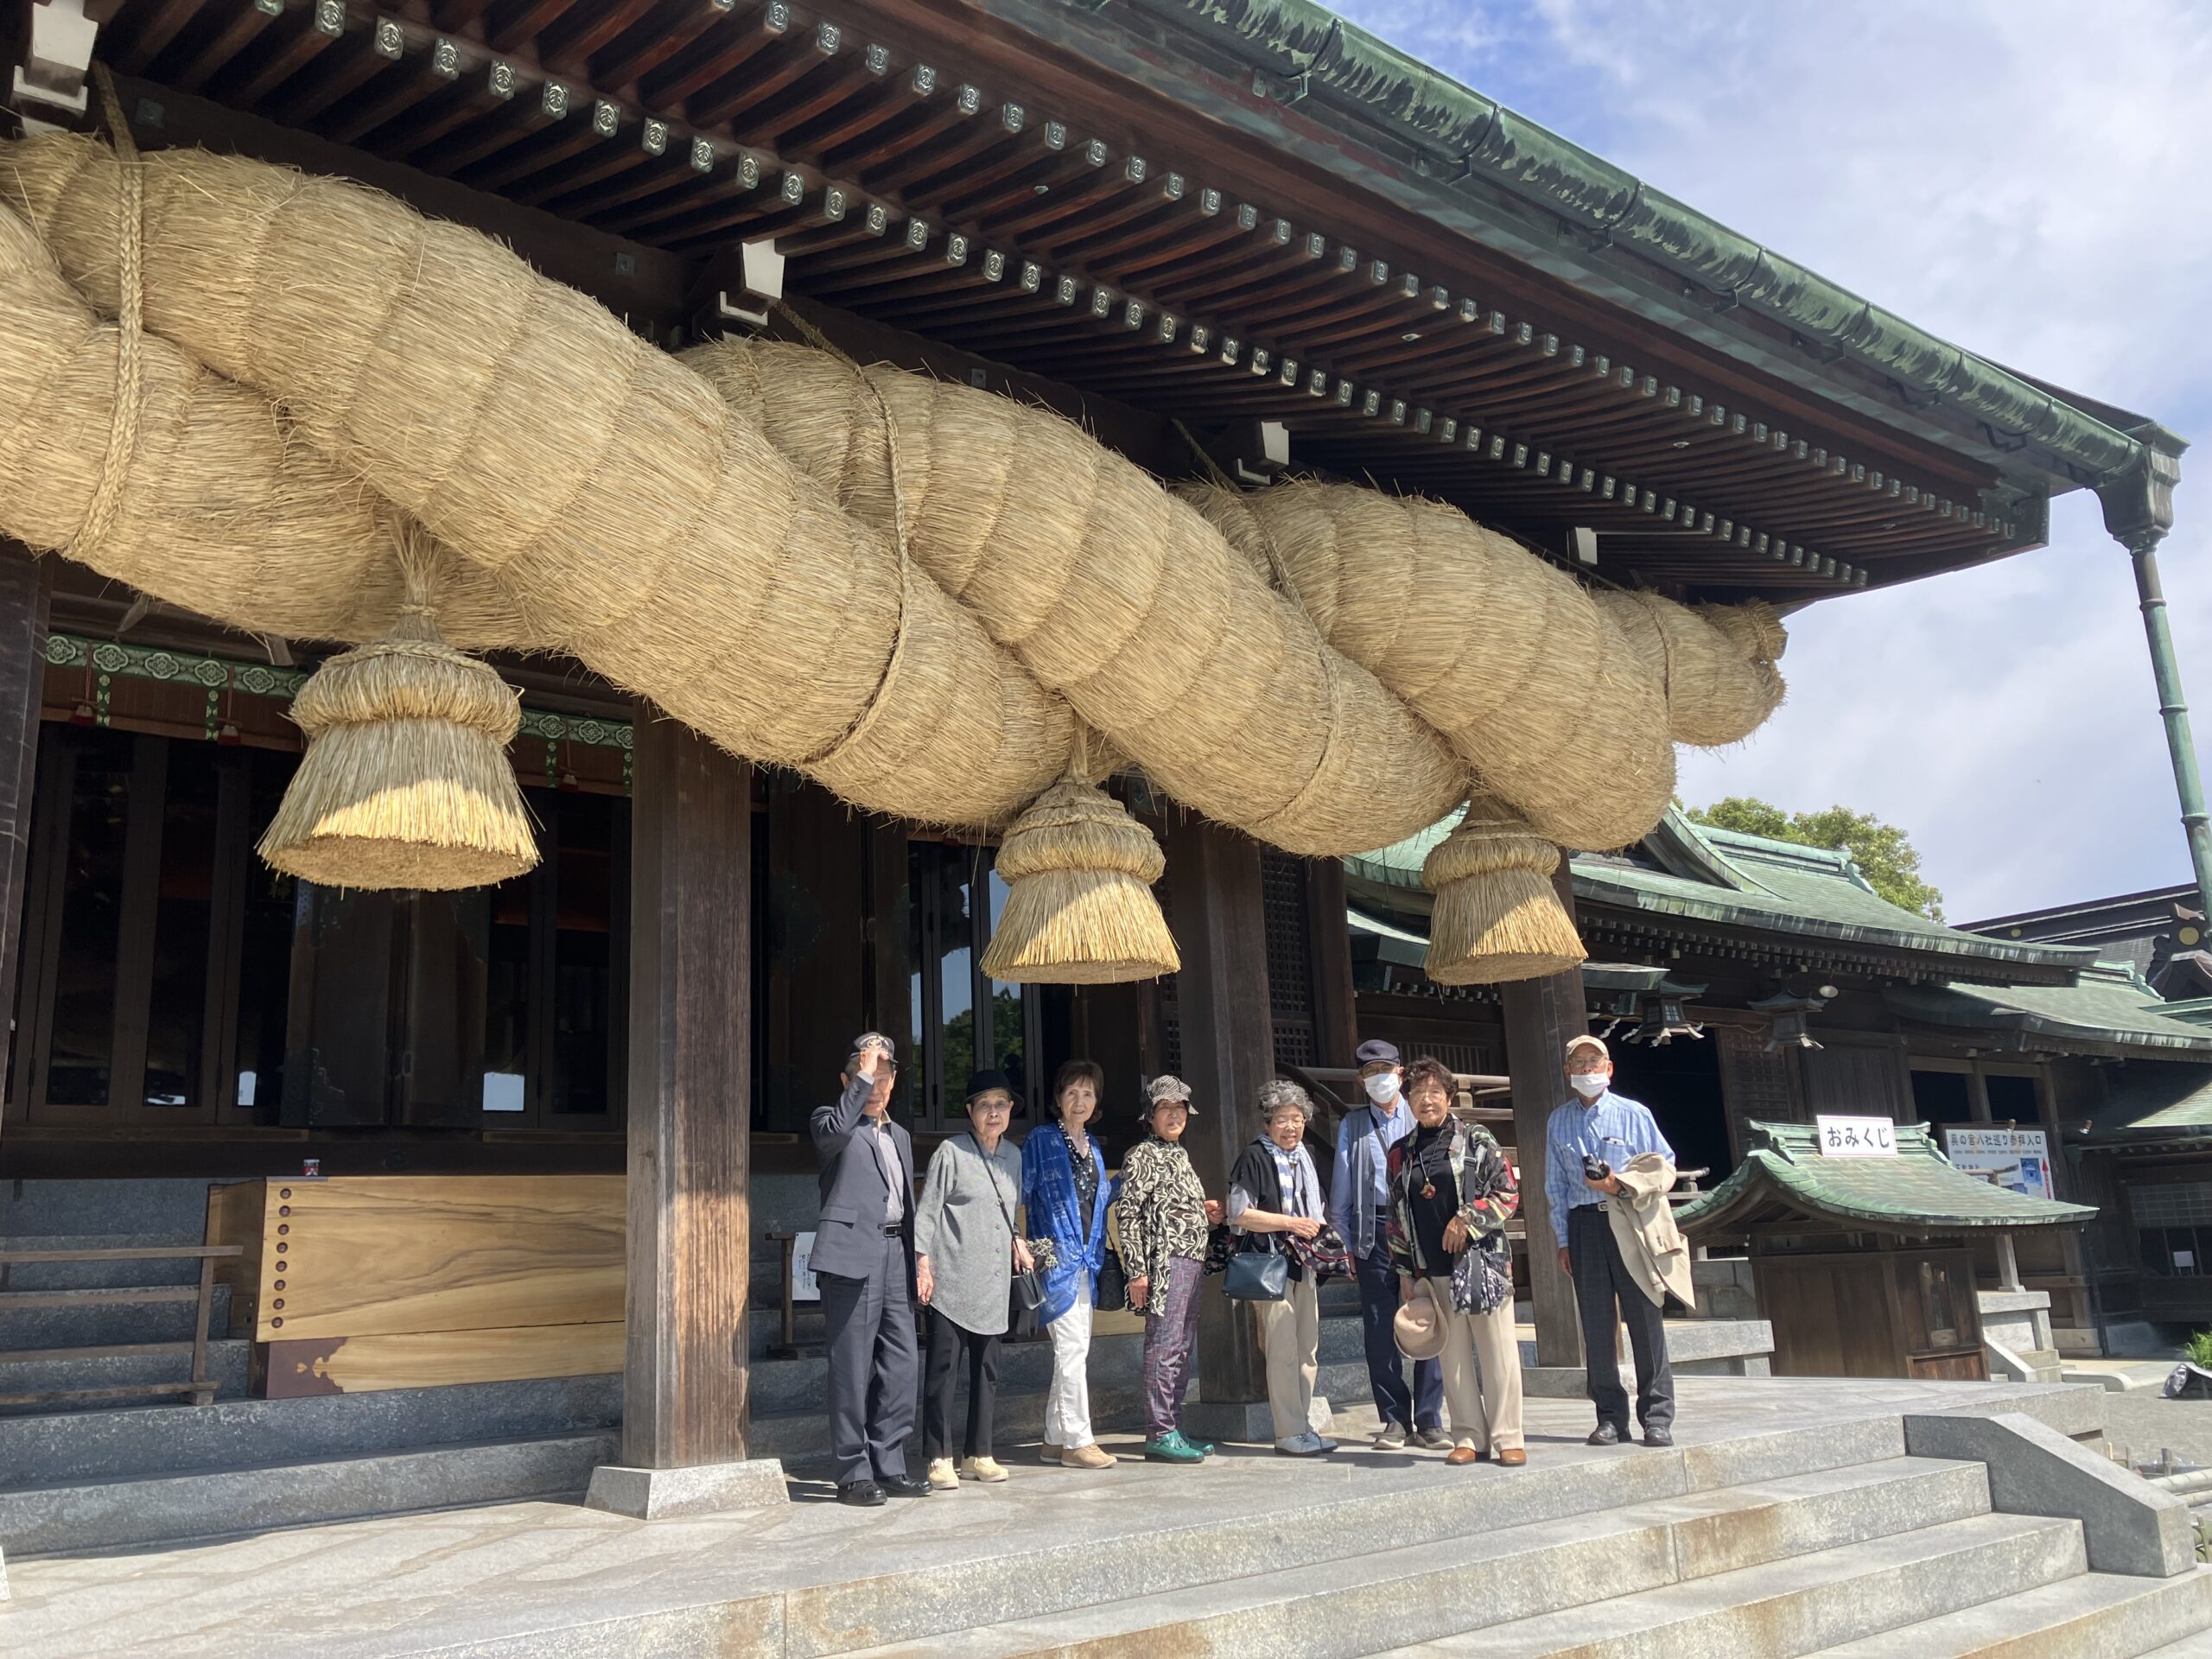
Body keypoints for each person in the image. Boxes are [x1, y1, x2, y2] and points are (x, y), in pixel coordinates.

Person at [809, 1032, 929, 1506]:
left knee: (901, 1364)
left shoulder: (900, 1135)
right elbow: (834, 1134)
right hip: (851, 1256)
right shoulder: (830, 1121)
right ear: (847, 1081)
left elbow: (906, 1205)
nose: (876, 1086)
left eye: (883, 1077)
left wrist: (919, 1258)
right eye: (866, 1076)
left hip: (896, 1254)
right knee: (851, 1368)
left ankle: (889, 1463)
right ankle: (853, 1472)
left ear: (894, 1082)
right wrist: (860, 1078)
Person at [1387, 1057, 1525, 1466]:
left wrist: (1467, 1218)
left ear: (1448, 1096)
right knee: (1454, 1359)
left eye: (1434, 1091)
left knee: (1498, 1353)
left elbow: (1507, 1193)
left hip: (1481, 1265)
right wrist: (1405, 1272)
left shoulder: (1476, 1138)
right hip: (1433, 1269)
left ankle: (1508, 1436)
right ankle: (1468, 1435)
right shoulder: (1401, 1153)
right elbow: (1396, 1217)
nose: (1426, 1099)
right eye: (1417, 1092)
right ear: (1408, 1101)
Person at [1546, 1033, 1678, 1447]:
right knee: (1597, 1325)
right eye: (1579, 1063)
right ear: (1568, 1071)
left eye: (1594, 1061)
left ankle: (1656, 1417)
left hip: (1629, 1218)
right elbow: (1555, 1186)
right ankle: (1610, 1417)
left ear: (1609, 1068)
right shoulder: (1557, 1120)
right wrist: (1563, 1239)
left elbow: (1666, 1165)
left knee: (1645, 1318)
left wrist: (1620, 1183)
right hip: (1583, 1224)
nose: (1587, 1068)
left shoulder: (1634, 1113)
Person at [914, 1069, 1034, 1489]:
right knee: (943, 1372)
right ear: (970, 1112)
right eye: (985, 1105)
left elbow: (1010, 1210)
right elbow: (927, 1212)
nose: (994, 1113)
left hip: (993, 1280)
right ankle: (938, 1457)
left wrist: (1018, 1241)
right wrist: (922, 1264)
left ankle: (978, 1454)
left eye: (1001, 1104)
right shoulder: (950, 1152)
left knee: (987, 1371)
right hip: (950, 1279)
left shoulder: (1014, 1156)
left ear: (1011, 1110)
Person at [1331, 1039, 1448, 1452]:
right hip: (1373, 1228)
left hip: (1420, 1227)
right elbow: (1341, 1190)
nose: (1378, 1079)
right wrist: (1343, 1243)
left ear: (1400, 1073)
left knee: (1428, 1316)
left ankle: (1430, 1418)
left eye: (1385, 1070)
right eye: (1369, 1073)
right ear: (1361, 1080)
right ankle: (1394, 1418)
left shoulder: (1420, 1112)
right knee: (1380, 1325)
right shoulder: (1353, 1124)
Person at [1113, 1074, 1223, 1463]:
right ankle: (1159, 1431)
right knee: (1164, 1345)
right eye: (1165, 1109)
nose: (1175, 1115)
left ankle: (1174, 1426)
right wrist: (1137, 1271)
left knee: (1181, 1346)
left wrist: (1201, 1210)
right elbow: (1128, 1214)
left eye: (1180, 1109)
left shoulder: (1178, 1154)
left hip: (1190, 1259)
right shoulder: (1142, 1155)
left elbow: (1167, 1205)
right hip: (1164, 1264)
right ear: (1151, 1115)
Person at [1229, 1077, 1339, 1457]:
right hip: (1271, 1266)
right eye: (1282, 1119)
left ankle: (1303, 1425)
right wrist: (1291, 1223)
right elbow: (1239, 1213)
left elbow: (1318, 1211)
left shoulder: (1306, 1158)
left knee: (1308, 1348)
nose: (1291, 1127)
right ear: (1267, 1122)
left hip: (1305, 1265)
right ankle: (1288, 1432)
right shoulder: (1253, 1157)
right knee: (1282, 1350)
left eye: (1297, 1119)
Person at [1020, 1058, 1116, 1470]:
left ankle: (1053, 1440)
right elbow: (1019, 1191)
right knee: (1072, 1349)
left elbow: (1099, 1201)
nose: (1080, 1101)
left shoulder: (1093, 1146)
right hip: (1056, 1261)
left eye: (1088, 1094)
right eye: (1072, 1093)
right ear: (1058, 1098)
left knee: (1074, 1351)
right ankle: (1079, 1440)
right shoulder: (1042, 1139)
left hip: (1087, 1262)